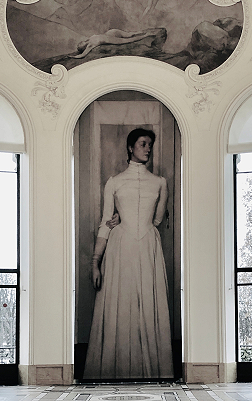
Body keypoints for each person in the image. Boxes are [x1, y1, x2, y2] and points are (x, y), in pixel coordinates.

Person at [83, 128, 174, 380]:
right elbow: (105, 223)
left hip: (148, 245)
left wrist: (127, 218)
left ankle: (152, 370)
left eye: (150, 145)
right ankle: (117, 369)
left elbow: (156, 220)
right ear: (130, 148)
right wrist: (95, 262)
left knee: (148, 302)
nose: (148, 148)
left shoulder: (160, 182)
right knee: (121, 305)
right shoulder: (114, 182)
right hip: (120, 247)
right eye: (143, 144)